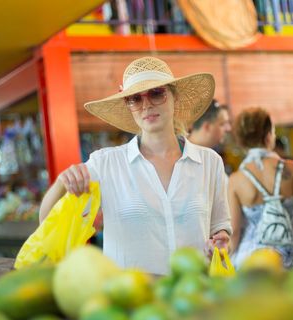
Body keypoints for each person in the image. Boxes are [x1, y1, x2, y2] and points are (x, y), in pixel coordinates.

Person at [39, 56, 231, 275]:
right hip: (130, 300)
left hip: (193, 297)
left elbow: (220, 227)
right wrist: (62, 182)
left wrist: (221, 241)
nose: (146, 104)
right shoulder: (105, 164)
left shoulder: (209, 162)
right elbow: (47, 222)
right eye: (135, 99)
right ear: (129, 107)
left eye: (156, 93)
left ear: (174, 97)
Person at [228, 107, 293, 269]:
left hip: (253, 262)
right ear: (267, 136)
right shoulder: (290, 169)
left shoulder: (236, 180)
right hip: (291, 258)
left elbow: (235, 231)